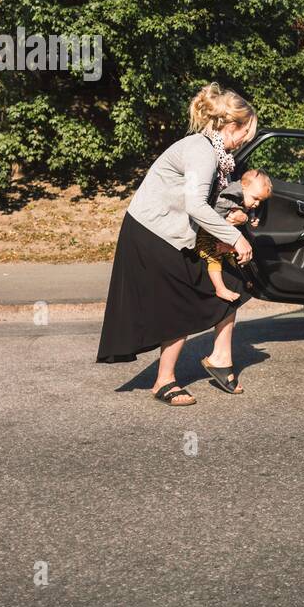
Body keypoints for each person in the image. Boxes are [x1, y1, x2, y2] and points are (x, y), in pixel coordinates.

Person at [96, 82, 258, 405]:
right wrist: (234, 236)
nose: (244, 142)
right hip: (150, 233)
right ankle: (165, 381)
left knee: (227, 282)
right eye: (245, 134)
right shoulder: (203, 152)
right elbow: (196, 206)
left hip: (165, 233)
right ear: (231, 126)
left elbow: (201, 206)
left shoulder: (214, 154)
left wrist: (231, 222)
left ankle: (219, 359)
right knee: (183, 298)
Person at [196, 168, 273, 302]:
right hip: (207, 234)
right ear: (243, 186)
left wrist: (251, 217)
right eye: (255, 198)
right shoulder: (232, 192)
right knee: (214, 259)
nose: (257, 203)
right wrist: (238, 211)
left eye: (260, 201)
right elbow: (220, 203)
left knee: (234, 255)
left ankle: (245, 281)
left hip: (221, 236)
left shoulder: (245, 195)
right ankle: (220, 288)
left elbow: (247, 207)